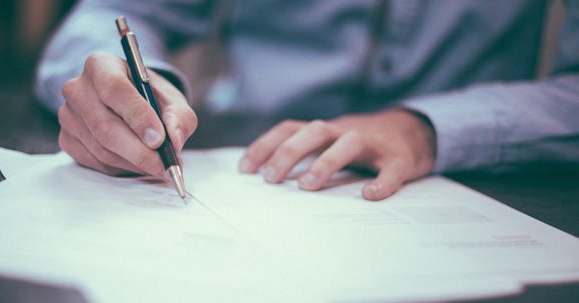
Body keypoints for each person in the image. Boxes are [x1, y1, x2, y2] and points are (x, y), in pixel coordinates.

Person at [35, 0, 579, 201]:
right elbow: (113, 13)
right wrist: (126, 85)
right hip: (249, 157)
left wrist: (426, 127)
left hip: (476, 176)